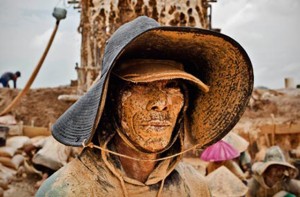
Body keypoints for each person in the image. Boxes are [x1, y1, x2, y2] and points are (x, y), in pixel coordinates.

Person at [36, 16, 253, 196]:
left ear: (185, 102)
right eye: (142, 85)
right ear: (112, 98)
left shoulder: (194, 188)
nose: (160, 103)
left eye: (172, 86)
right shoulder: (66, 191)